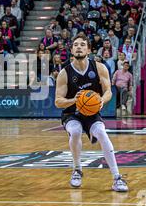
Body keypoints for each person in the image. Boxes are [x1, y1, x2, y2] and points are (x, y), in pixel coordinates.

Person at [54, 34, 128, 192]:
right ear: (71, 49)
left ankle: (117, 178)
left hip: (92, 112)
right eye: (75, 45)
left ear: (88, 49)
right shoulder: (64, 73)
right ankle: (77, 170)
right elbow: (58, 101)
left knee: (102, 132)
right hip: (72, 113)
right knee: (75, 131)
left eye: (82, 44)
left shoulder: (99, 68)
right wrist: (75, 100)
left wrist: (101, 101)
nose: (78, 47)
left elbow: (108, 91)